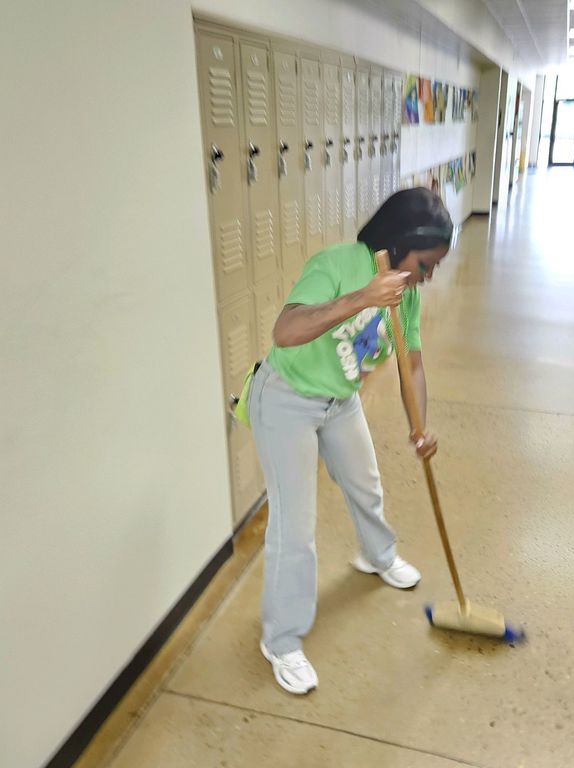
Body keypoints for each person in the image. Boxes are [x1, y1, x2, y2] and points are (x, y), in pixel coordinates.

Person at [247, 187, 453, 694]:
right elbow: (286, 330)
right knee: (294, 527)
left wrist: (419, 426)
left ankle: (377, 555)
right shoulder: (338, 263)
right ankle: (282, 639)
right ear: (400, 244)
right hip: (286, 399)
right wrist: (363, 297)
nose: (428, 277)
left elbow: (414, 365)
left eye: (434, 268)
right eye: (425, 265)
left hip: (340, 399)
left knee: (365, 483)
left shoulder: (406, 297)